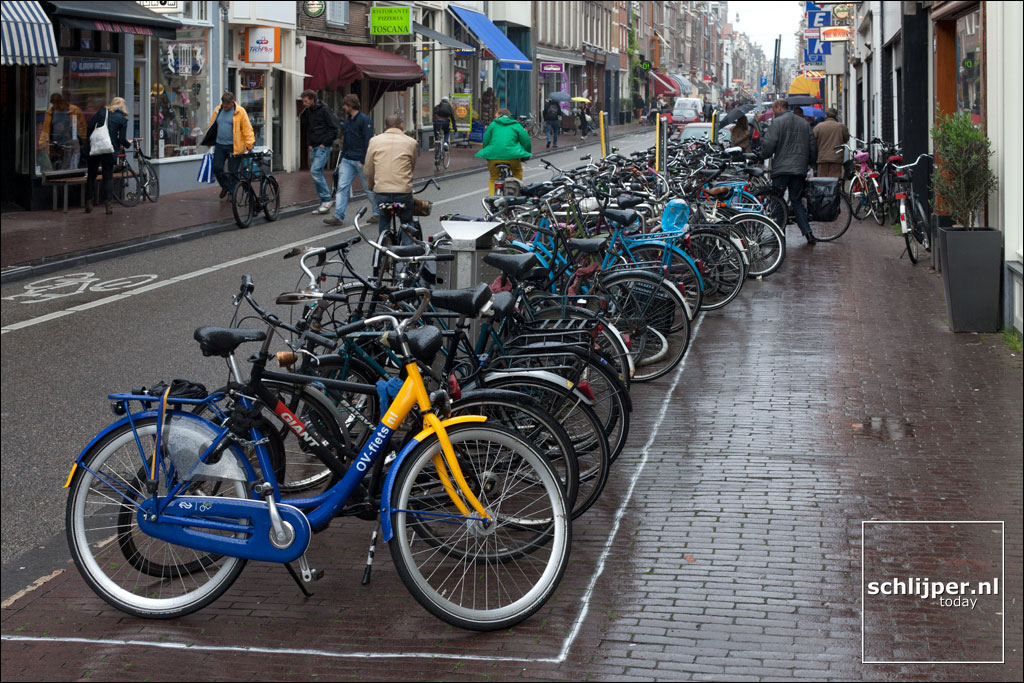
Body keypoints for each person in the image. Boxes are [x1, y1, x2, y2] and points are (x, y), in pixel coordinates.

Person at [759, 98, 819, 244]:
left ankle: (779, 234)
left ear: (780, 108)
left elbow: (769, 145)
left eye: (774, 109)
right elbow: (813, 147)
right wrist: (811, 163)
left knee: (777, 201)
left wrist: (761, 156)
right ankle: (808, 233)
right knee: (796, 201)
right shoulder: (804, 124)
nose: (773, 112)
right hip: (799, 170)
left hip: (781, 169)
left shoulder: (777, 123)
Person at [364, 111, 418, 251]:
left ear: (385, 126)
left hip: (382, 192)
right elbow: (411, 165)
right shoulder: (411, 142)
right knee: (406, 220)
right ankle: (407, 254)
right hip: (402, 192)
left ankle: (384, 248)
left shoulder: (374, 141)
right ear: (401, 125)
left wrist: (372, 186)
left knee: (384, 217)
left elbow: (369, 168)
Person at [323, 94, 378, 227]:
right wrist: (342, 159)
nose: (343, 107)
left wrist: (363, 160)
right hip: (347, 159)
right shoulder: (348, 121)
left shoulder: (365, 120)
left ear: (350, 106)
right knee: (342, 187)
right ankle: (338, 216)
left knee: (368, 188)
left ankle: (378, 213)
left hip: (359, 160)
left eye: (345, 105)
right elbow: (345, 141)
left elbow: (368, 141)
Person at [200, 92, 255, 199]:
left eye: (227, 104)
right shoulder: (218, 110)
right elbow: (212, 126)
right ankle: (225, 186)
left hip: (234, 146)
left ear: (232, 102)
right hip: (220, 145)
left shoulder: (240, 111)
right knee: (217, 168)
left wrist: (249, 144)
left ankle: (232, 193)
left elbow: (247, 129)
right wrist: (209, 141)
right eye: (223, 103)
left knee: (233, 172)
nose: (225, 105)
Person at [82, 97, 130, 215]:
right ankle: (108, 206)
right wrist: (128, 144)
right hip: (109, 149)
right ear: (123, 106)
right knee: (107, 177)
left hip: (95, 148)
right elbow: (122, 139)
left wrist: (90, 140)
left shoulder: (102, 111)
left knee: (91, 176)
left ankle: (88, 203)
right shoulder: (122, 119)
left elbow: (90, 126)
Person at [300, 89, 340, 215]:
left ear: (312, 99)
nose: (304, 104)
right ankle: (323, 202)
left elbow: (334, 128)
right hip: (314, 146)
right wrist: (310, 144)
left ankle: (327, 200)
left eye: (305, 101)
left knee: (315, 171)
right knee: (316, 174)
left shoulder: (324, 109)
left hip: (323, 146)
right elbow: (308, 128)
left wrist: (324, 144)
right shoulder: (308, 111)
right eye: (303, 101)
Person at [476, 108, 531, 196]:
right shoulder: (516, 125)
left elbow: (486, 140)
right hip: (512, 156)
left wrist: (487, 154)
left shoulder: (493, 124)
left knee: (493, 178)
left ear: (500, 115)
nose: (495, 117)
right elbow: (526, 141)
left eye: (496, 115)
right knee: (517, 172)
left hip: (493, 156)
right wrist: (526, 156)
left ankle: (491, 198)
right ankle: (516, 195)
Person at [38, 93, 87, 172]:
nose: (56, 106)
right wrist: (42, 143)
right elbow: (45, 129)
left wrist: (83, 139)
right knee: (58, 165)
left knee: (72, 164)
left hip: (71, 142)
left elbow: (82, 127)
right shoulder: (50, 113)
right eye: (54, 104)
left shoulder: (74, 110)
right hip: (56, 143)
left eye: (57, 103)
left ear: (62, 101)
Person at [813, 108, 850, 179]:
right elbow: (846, 139)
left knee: (822, 180)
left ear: (826, 115)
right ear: (836, 115)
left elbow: (813, 141)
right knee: (834, 180)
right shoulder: (841, 127)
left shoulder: (818, 127)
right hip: (836, 157)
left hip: (822, 158)